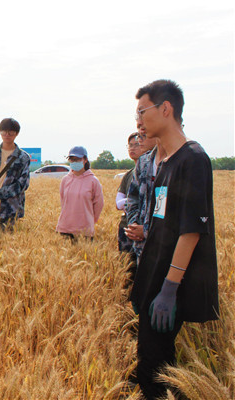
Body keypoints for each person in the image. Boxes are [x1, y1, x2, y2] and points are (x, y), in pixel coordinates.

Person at [129, 80, 219, 399]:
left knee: (155, 369)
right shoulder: (166, 163)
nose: (138, 119)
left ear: (165, 109)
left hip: (171, 282)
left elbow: (191, 229)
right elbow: (164, 221)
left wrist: (170, 288)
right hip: (155, 276)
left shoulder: (193, 159)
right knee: (155, 362)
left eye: (142, 110)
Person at [125, 123, 167, 262]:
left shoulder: (173, 164)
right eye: (138, 136)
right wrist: (134, 225)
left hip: (164, 248)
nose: (139, 140)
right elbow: (133, 197)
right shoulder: (143, 162)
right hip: (141, 248)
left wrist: (147, 231)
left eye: (143, 136)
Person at [55, 146, 104, 241]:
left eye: (77, 159)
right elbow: (63, 202)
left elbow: (99, 205)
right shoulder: (65, 180)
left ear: (85, 160)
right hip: (65, 227)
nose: (74, 162)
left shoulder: (93, 181)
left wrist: (89, 221)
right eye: (72, 160)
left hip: (84, 230)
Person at [116, 133, 141, 281]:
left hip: (142, 230)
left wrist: (128, 202)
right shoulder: (128, 174)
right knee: (126, 269)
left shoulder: (153, 171)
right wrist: (132, 201)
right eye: (130, 145)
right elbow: (118, 203)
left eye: (136, 144)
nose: (132, 148)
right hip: (126, 228)